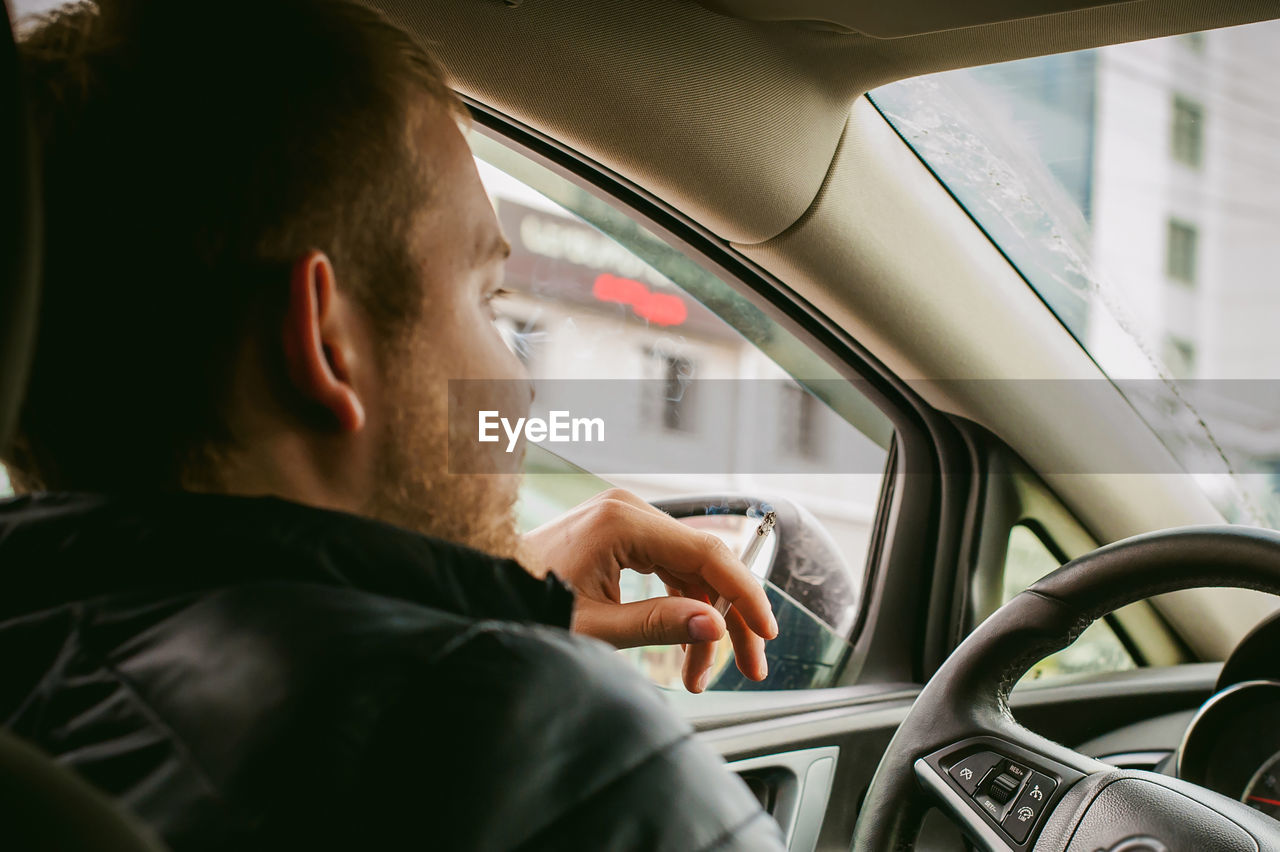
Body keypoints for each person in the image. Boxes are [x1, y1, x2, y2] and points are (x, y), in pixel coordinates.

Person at [0, 0, 786, 849]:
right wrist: (479, 652)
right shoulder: (529, 747)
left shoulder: (36, 680)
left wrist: (476, 586)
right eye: (488, 301)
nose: (520, 389)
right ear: (329, 340)